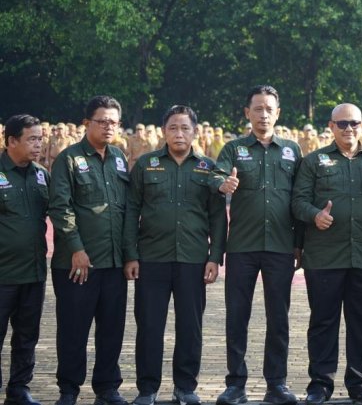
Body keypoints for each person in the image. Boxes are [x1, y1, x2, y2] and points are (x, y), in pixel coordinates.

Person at [122, 105, 227, 405]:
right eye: (173, 128)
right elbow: (132, 211)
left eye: (185, 128)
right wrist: (131, 254)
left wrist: (214, 257)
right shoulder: (146, 165)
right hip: (151, 259)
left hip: (193, 260)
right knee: (150, 326)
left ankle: (185, 386)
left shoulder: (208, 168)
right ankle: (147, 388)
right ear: (164, 131)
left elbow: (218, 217)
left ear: (195, 132)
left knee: (190, 327)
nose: (179, 134)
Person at [291, 104, 362, 405]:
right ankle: (320, 384)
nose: (349, 129)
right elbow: (297, 202)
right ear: (331, 127)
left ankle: (360, 383)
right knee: (323, 321)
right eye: (342, 124)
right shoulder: (313, 162)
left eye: (354, 123)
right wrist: (314, 215)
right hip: (324, 256)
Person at [213, 85, 304, 405]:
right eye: (257, 109)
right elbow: (217, 175)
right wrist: (224, 183)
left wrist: (300, 244)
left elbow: (301, 198)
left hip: (281, 246)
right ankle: (235, 383)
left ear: (278, 113)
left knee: (278, 318)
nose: (263, 115)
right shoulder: (234, 149)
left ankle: (276, 383)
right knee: (237, 316)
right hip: (242, 247)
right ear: (247, 113)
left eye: (269, 109)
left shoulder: (292, 150)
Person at [49, 95, 129, 405]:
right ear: (87, 123)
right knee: (73, 329)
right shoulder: (68, 159)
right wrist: (76, 248)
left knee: (112, 329)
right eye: (102, 121)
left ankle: (107, 387)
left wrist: (129, 254)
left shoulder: (120, 158)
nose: (109, 126)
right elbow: (60, 207)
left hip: (112, 262)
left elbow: (126, 209)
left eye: (114, 122)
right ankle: (68, 390)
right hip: (77, 263)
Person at [0, 115, 49, 405]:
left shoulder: (42, 174)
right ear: (11, 141)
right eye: (32, 139)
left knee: (27, 335)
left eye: (40, 139)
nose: (38, 145)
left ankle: (19, 389)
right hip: (2, 273)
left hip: (33, 272)